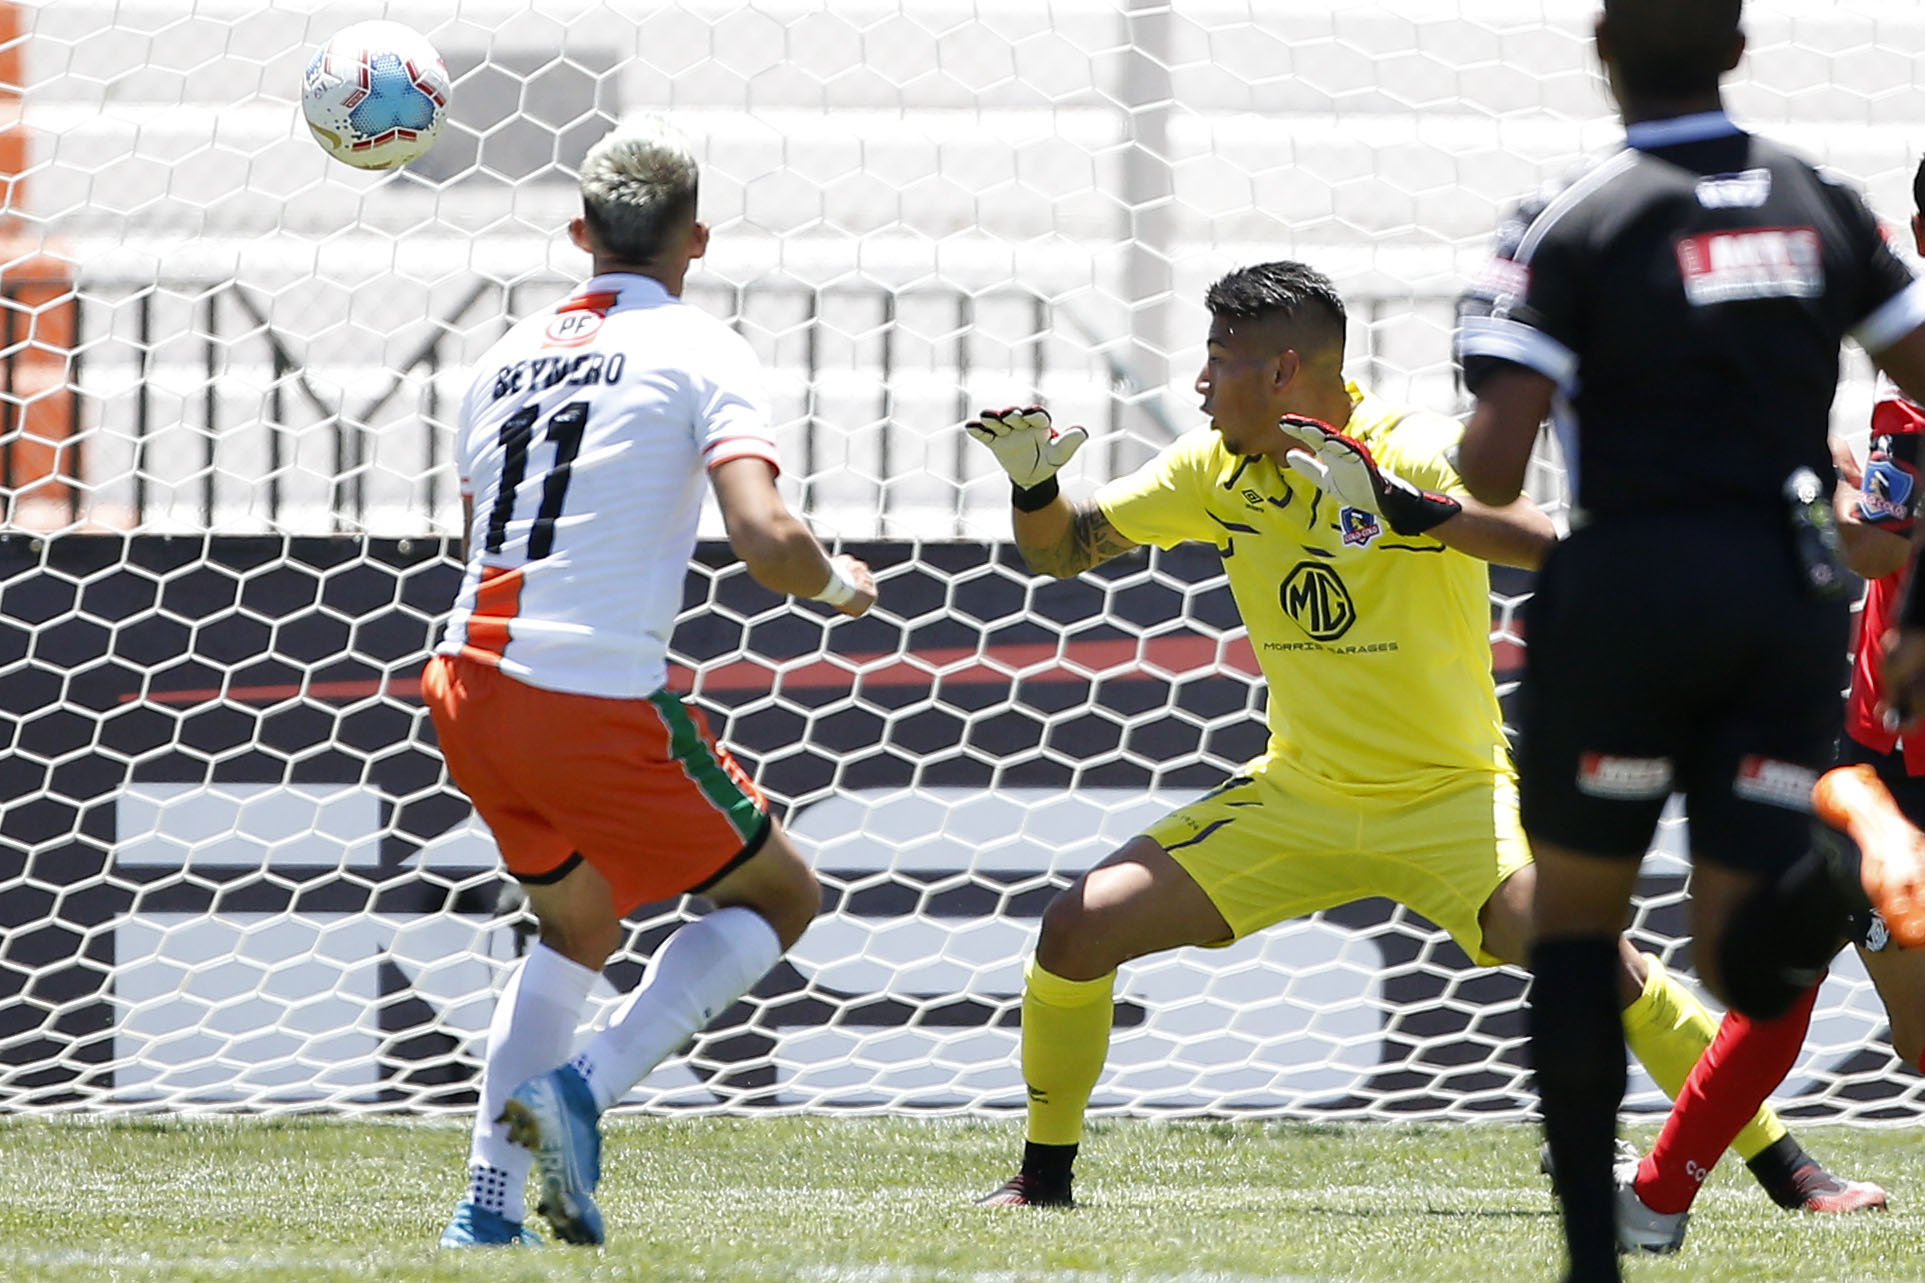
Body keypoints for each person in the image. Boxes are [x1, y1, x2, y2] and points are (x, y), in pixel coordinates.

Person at [965, 259, 1859, 1215]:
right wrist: (1033, 489)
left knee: (1600, 962)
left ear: (1282, 373)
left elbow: (1548, 543)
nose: (1197, 383)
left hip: (1451, 802)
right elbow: (1063, 548)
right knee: (1076, 928)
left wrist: (1401, 510)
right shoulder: (1211, 467)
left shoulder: (1415, 450)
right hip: (1299, 799)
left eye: (1217, 360)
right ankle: (1042, 1180)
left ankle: (1788, 1170)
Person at [1451, 3, 1925, 1280]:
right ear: (1737, 45)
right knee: (1734, 948)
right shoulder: (1818, 202)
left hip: (1626, 595)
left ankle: (1592, 1258)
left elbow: (1492, 457)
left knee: (1575, 922)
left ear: (1602, 46)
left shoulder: (1571, 213)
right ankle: (1842, 870)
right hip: (1779, 604)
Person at [424, 115, 877, 1249]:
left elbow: (483, 534)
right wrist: (837, 588)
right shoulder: (698, 346)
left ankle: (487, 1209)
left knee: (576, 921)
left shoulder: (497, 358)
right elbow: (766, 540)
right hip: (581, 688)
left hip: (462, 685)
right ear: (698, 238)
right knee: (780, 896)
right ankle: (584, 1085)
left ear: (580, 233)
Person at [1600, 160, 1925, 1253]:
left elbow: (1876, 540)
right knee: (1782, 972)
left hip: (1895, 753)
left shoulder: (1906, 390)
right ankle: (1652, 1199)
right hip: (1877, 752)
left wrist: (1805, 483)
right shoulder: (1900, 387)